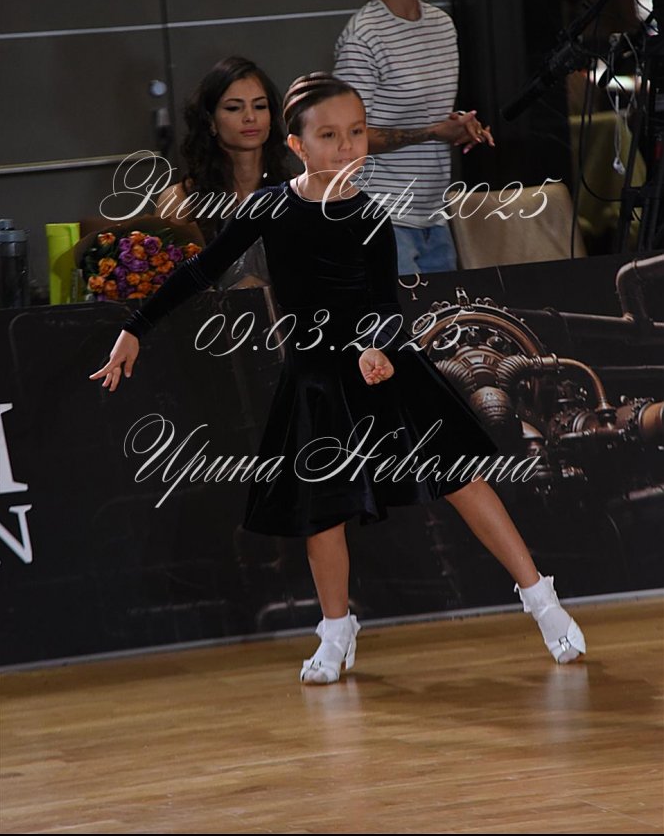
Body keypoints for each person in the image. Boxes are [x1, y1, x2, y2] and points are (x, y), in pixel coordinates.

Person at [89, 72, 585, 684]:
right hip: (317, 378)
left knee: (461, 477)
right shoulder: (269, 208)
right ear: (297, 145)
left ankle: (541, 599)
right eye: (329, 135)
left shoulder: (371, 214)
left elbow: (383, 302)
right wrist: (136, 327)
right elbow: (200, 272)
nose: (347, 146)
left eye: (356, 132)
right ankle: (335, 628)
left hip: (384, 368)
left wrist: (377, 346)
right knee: (322, 509)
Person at [334, 0, 495, 276]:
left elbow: (429, 112)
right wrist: (433, 132)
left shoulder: (442, 25)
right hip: (379, 213)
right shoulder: (363, 37)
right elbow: (347, 138)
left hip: (433, 211)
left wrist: (460, 125)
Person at [158, 55, 291, 290]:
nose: (250, 117)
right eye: (234, 108)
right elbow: (165, 290)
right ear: (210, 121)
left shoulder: (298, 192)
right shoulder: (180, 200)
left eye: (260, 106)